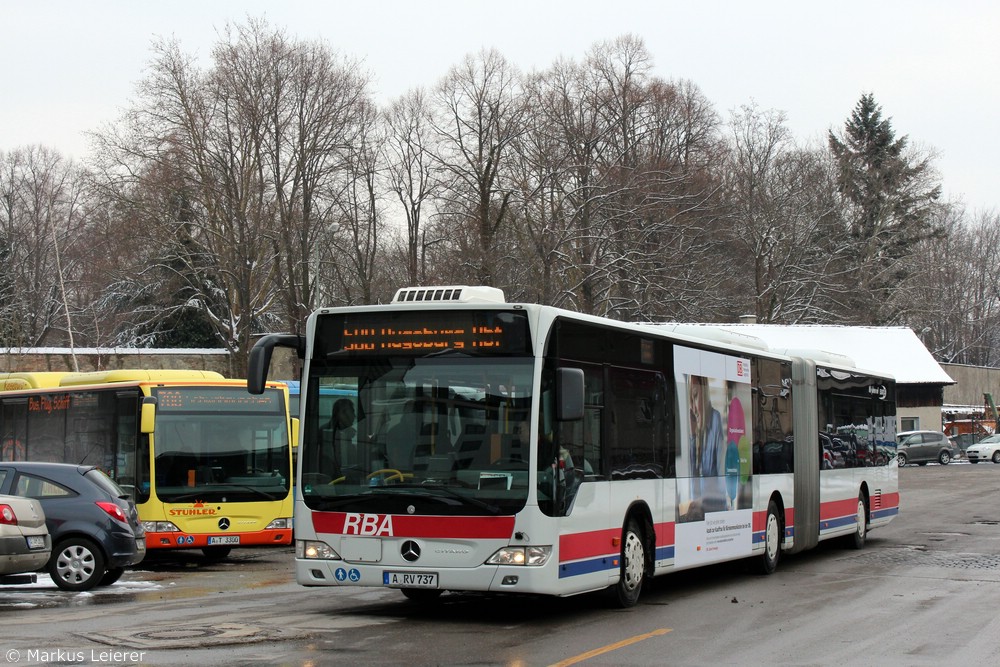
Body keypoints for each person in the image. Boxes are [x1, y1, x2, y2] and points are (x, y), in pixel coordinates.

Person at [321, 398, 357, 477]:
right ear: (342, 413)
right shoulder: (326, 432)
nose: (355, 416)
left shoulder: (349, 432)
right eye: (352, 412)